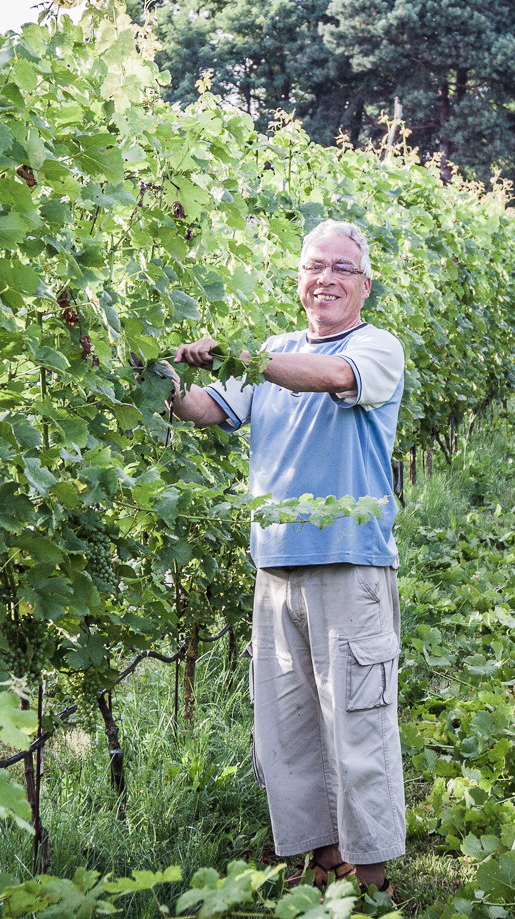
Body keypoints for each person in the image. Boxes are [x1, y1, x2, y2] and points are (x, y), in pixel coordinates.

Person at [168, 219, 406, 894]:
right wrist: (153, 371)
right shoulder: (270, 350)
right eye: (313, 266)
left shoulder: (376, 347)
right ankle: (324, 862)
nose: (325, 279)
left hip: (350, 565)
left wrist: (239, 354)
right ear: (298, 279)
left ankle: (375, 882)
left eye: (340, 268)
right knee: (290, 730)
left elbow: (329, 376)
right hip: (274, 567)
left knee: (358, 728)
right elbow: (205, 410)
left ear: (365, 284)